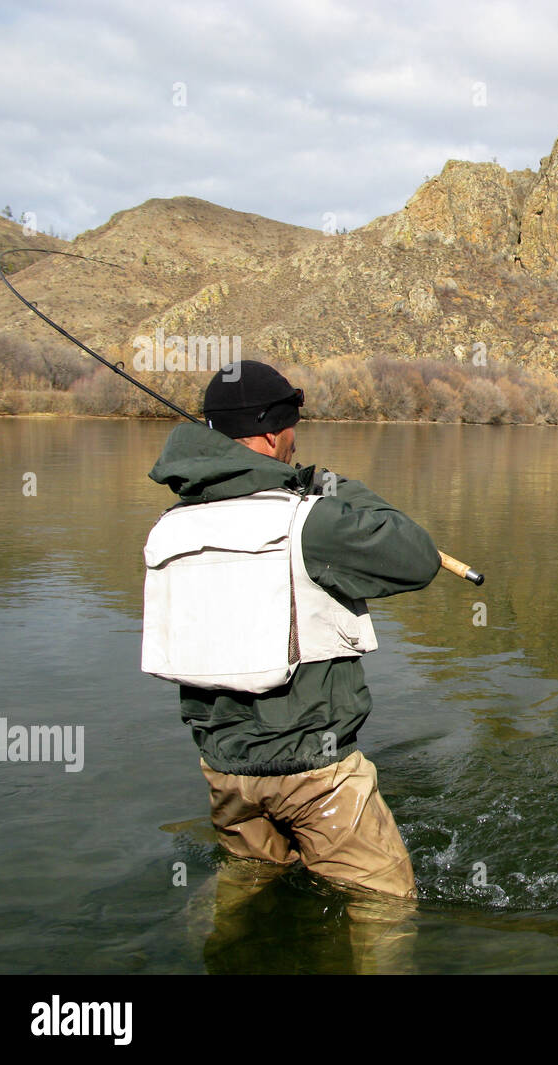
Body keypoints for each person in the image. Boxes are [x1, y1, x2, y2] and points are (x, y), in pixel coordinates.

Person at [142, 360, 441, 906]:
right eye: (291, 427)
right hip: (313, 774)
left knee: (248, 883)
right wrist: (330, 486)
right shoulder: (309, 520)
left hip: (224, 769)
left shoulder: (170, 529)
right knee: (386, 902)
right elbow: (417, 557)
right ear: (274, 433)